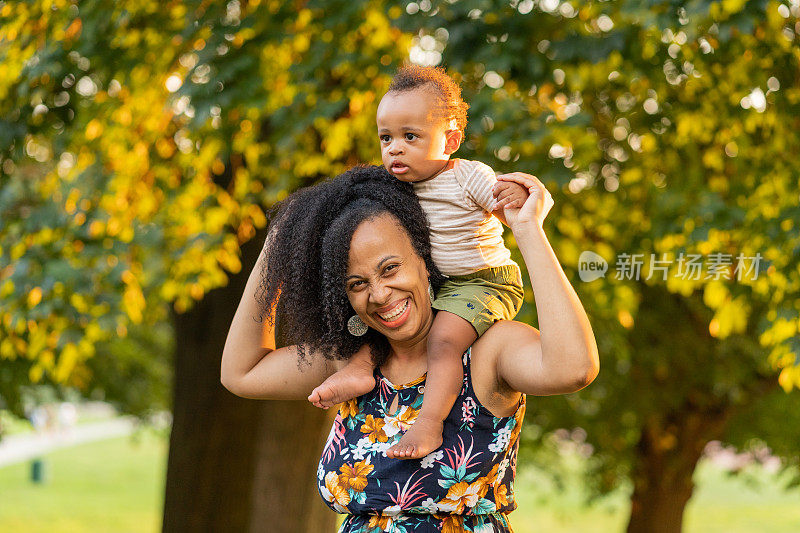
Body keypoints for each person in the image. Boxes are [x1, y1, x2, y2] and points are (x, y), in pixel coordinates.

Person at [221, 165, 598, 532]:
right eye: (356, 284)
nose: (379, 295)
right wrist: (277, 246)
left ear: (424, 258)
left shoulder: (488, 350)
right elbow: (242, 373)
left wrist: (528, 230)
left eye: (390, 269)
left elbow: (573, 368)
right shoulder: (352, 363)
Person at [308, 65, 532, 460]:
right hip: (441, 283)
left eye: (410, 137)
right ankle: (360, 369)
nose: (395, 148)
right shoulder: (394, 190)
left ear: (450, 140)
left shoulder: (466, 177)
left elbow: (501, 202)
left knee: (442, 343)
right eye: (386, 138)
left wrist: (514, 194)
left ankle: (428, 424)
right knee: (381, 325)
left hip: (483, 281)